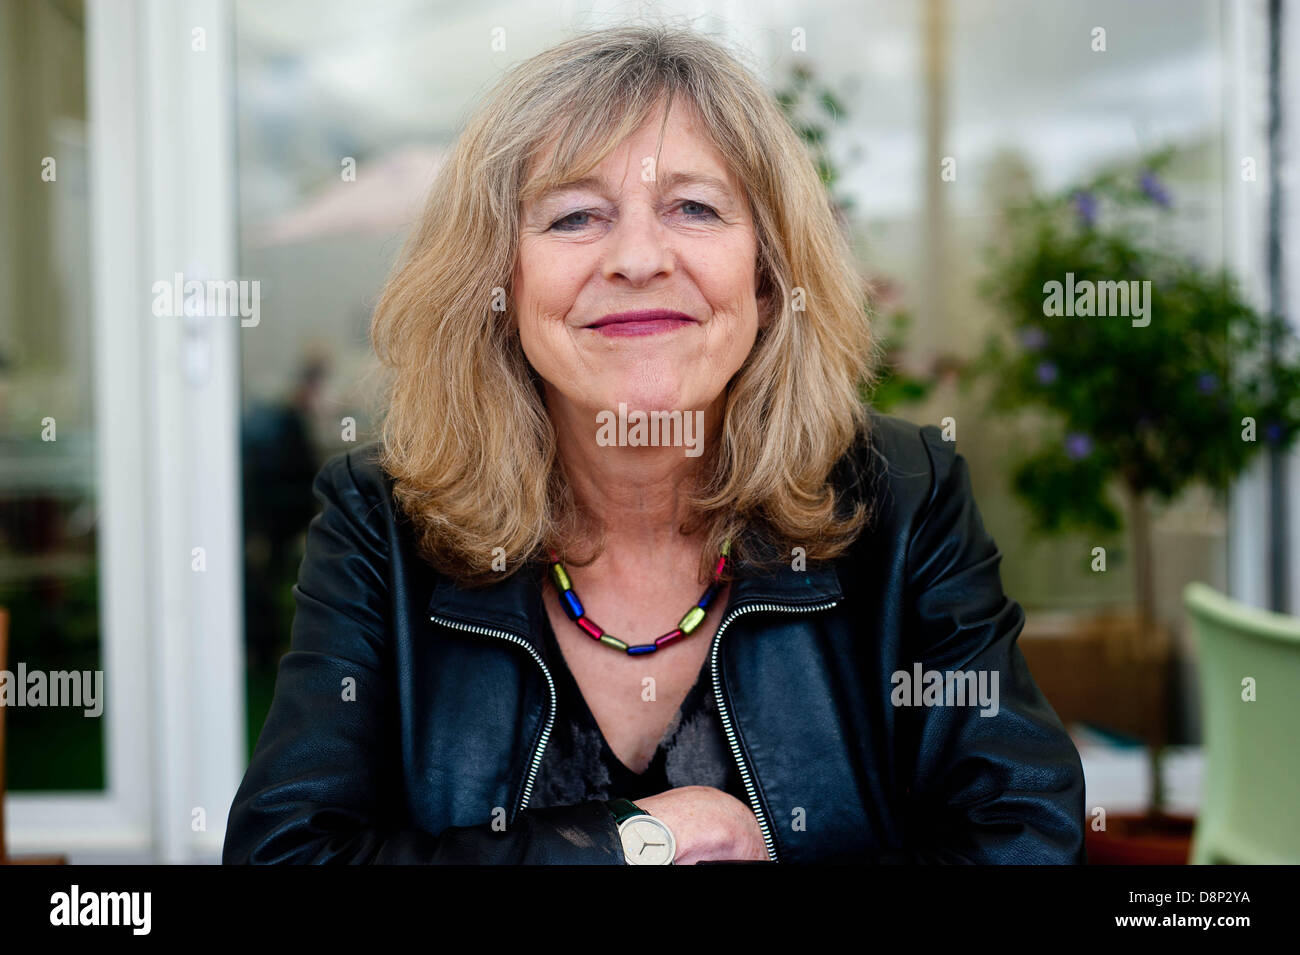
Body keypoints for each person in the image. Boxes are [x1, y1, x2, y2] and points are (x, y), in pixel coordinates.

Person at [222, 25, 1085, 865]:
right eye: (574, 217)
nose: (638, 257)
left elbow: (1027, 836)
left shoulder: (900, 498)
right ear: (498, 280)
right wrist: (637, 841)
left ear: (768, 274)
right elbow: (287, 850)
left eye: (694, 207)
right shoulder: (382, 518)